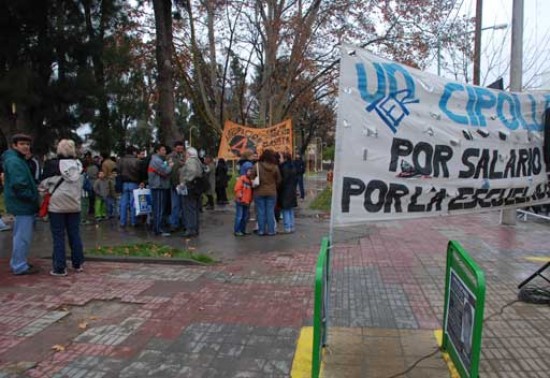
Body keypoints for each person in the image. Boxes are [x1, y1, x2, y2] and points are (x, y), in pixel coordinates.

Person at [39, 139, 84, 277]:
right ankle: (78, 263)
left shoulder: (52, 165)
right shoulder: (79, 166)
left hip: (57, 206)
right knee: (74, 234)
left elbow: (43, 185)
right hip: (74, 205)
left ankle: (60, 267)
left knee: (58, 236)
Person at [2, 133, 40, 275]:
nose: (25, 146)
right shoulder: (15, 161)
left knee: (20, 235)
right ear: (14, 145)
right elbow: (19, 185)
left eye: (27, 144)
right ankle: (19, 265)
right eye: (22, 144)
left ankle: (18, 262)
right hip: (23, 204)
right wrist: (32, 197)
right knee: (22, 236)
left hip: (21, 203)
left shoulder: (16, 159)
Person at [251, 149, 281, 236]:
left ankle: (261, 230)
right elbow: (279, 180)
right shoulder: (275, 167)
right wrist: (274, 186)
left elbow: (251, 177)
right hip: (272, 192)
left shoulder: (257, 166)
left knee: (261, 211)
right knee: (270, 211)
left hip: (259, 192)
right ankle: (271, 231)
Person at [148, 144, 173, 236]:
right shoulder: (157, 161)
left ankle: (158, 227)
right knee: (159, 208)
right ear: (157, 151)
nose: (164, 152)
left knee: (159, 208)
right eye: (163, 150)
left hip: (159, 186)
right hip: (158, 186)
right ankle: (158, 229)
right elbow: (165, 171)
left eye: (165, 150)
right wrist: (170, 166)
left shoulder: (158, 160)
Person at [179, 147, 203, 237]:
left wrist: (184, 181)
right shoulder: (198, 161)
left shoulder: (190, 161)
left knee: (189, 208)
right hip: (197, 187)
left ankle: (190, 229)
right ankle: (195, 228)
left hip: (190, 187)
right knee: (195, 208)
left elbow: (192, 172)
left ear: (189, 154)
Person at [117, 145, 143, 227]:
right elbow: (139, 172)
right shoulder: (137, 161)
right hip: (134, 183)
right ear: (134, 152)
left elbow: (118, 171)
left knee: (123, 203)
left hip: (124, 183)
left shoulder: (121, 161)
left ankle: (122, 222)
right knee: (133, 204)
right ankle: (133, 221)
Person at [167, 141, 186, 230]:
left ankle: (182, 223)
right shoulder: (170, 157)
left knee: (183, 205)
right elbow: (172, 170)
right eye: (178, 148)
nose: (180, 150)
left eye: (181, 149)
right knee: (175, 205)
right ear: (174, 148)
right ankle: (174, 224)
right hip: (175, 184)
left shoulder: (184, 156)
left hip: (183, 184)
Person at [279, 152, 298, 233]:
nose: (279, 159)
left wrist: (280, 187)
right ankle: (292, 226)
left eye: (280, 157)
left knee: (285, 209)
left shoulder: (284, 167)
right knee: (290, 209)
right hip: (292, 190)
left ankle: (287, 227)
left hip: (286, 191)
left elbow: (283, 180)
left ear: (285, 158)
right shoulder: (292, 166)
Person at [233, 167, 253, 236]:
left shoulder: (250, 181)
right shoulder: (242, 179)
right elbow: (237, 188)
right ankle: (237, 230)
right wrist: (239, 195)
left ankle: (243, 230)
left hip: (247, 201)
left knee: (245, 217)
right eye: (249, 171)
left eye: (251, 171)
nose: (250, 173)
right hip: (241, 200)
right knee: (239, 216)